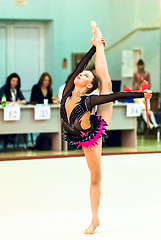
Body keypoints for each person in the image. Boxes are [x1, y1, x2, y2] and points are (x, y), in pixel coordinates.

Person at [60, 22, 152, 234]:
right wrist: (93, 47)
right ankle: (99, 42)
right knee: (107, 83)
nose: (81, 75)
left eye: (86, 77)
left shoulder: (88, 101)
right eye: (82, 75)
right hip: (79, 132)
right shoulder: (67, 91)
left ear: (89, 87)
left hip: (92, 133)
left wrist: (140, 95)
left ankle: (94, 219)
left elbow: (114, 96)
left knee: (95, 177)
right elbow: (79, 67)